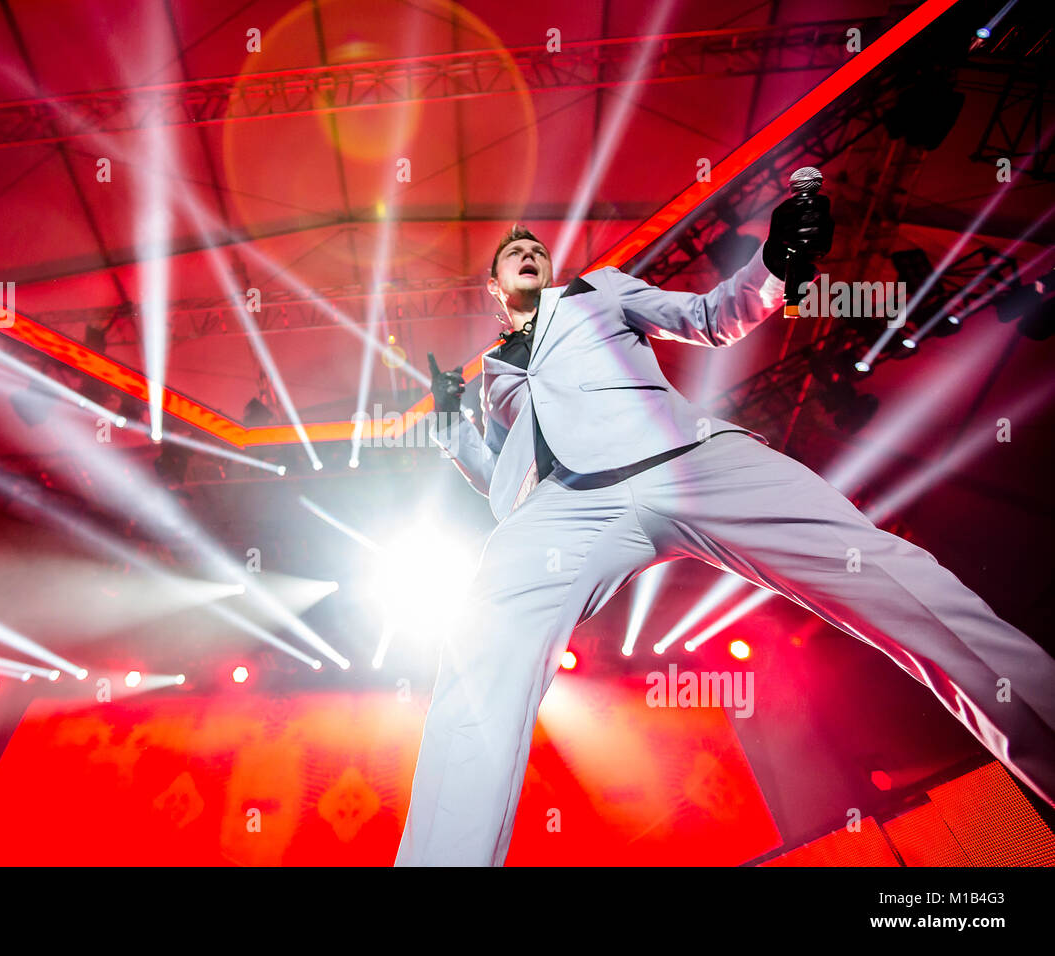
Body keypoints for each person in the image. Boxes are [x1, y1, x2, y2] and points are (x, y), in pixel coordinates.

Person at [397, 198, 1055, 865]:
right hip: (566, 506)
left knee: (888, 573)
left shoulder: (600, 289)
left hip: (685, 457)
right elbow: (499, 477)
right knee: (479, 648)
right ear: (494, 288)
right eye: (513, 253)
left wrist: (774, 265)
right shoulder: (496, 378)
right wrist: (452, 421)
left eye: (534, 245)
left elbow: (707, 318)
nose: (528, 251)